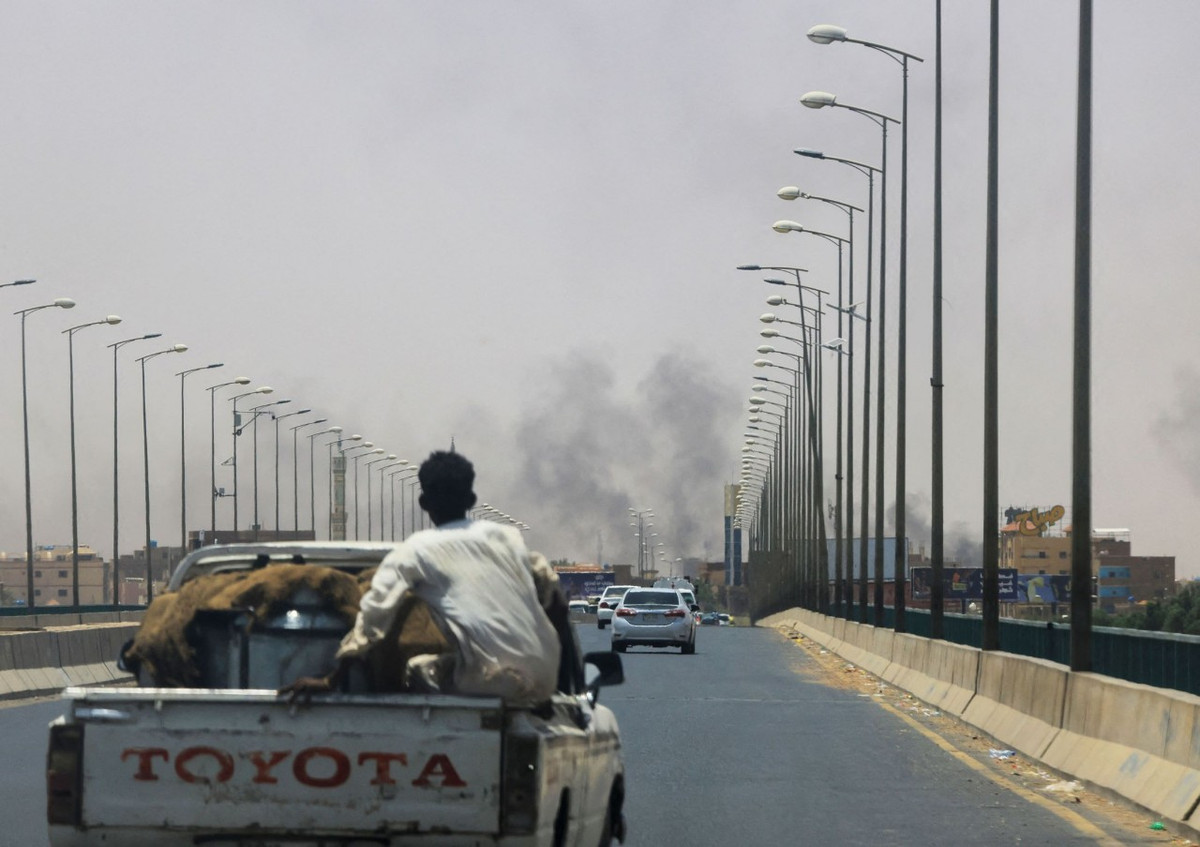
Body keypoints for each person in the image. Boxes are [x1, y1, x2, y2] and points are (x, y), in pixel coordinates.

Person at [283, 450, 562, 704]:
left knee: (418, 669)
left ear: (424, 502)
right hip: (548, 676)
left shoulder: (415, 550)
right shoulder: (508, 537)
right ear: (472, 500)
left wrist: (331, 680)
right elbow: (552, 590)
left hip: (489, 681)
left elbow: (373, 618)